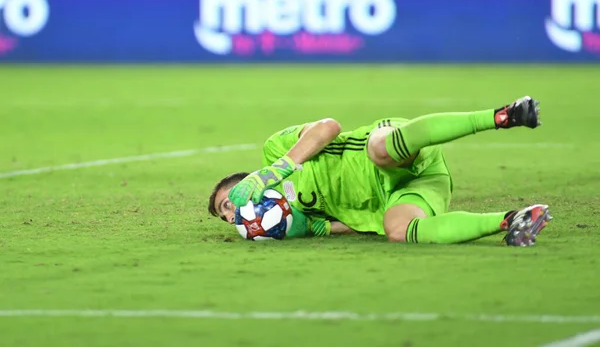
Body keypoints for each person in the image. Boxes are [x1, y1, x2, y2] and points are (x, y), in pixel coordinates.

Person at [208, 96, 553, 246]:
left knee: (379, 149)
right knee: (398, 230)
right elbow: (357, 225)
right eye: (229, 220)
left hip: (393, 146)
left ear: (244, 183)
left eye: (228, 204)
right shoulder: (297, 216)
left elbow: (328, 127)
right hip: (414, 186)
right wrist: (319, 230)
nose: (235, 216)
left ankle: (502, 116)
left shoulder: (274, 151)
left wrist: (276, 170)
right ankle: (513, 220)